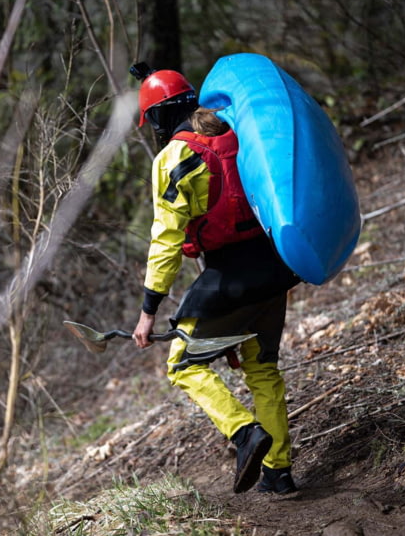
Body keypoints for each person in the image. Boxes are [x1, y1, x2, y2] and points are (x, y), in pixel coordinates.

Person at [128, 62, 301, 494]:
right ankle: (278, 474)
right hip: (275, 267)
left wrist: (148, 312)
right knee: (262, 369)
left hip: (231, 279)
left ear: (158, 118)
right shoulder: (238, 130)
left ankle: (245, 435)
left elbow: (166, 241)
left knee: (183, 366)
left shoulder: (174, 158)